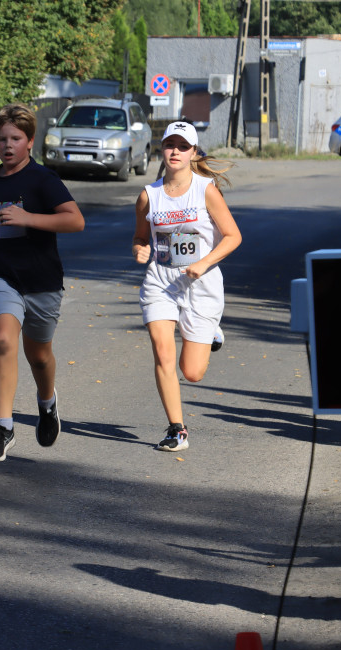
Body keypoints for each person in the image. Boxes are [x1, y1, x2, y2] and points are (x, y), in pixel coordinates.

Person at [0, 103, 85, 461]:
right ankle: (4, 427)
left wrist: (29, 218)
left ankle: (47, 403)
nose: (7, 145)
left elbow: (75, 221)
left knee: (39, 355)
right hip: (1, 273)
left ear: (30, 141)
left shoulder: (44, 180)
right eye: (1, 139)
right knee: (2, 340)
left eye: (15, 138)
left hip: (42, 279)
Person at [132, 121, 242, 452]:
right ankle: (176, 429)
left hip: (201, 283)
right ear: (161, 149)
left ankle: (211, 335)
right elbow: (140, 236)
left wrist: (204, 263)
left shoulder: (205, 189)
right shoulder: (148, 196)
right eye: (170, 145)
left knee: (192, 372)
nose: (175, 151)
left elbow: (233, 236)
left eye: (183, 146)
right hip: (161, 282)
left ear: (194, 153)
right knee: (162, 351)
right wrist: (140, 248)